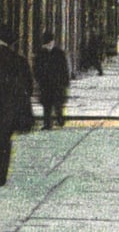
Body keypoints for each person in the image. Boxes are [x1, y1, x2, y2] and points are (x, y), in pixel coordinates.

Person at [0, 24, 33, 187]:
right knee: (5, 139)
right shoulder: (18, 60)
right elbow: (29, 86)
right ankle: (1, 175)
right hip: (9, 108)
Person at [33, 32, 69, 130]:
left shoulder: (59, 53)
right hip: (46, 84)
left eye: (50, 42)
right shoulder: (40, 54)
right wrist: (39, 80)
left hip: (57, 83)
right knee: (47, 105)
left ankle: (60, 119)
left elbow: (64, 68)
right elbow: (36, 69)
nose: (49, 45)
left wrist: (65, 82)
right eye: (48, 43)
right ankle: (47, 124)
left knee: (58, 104)